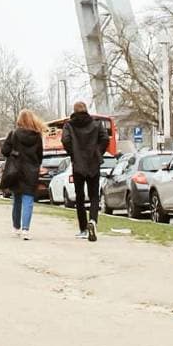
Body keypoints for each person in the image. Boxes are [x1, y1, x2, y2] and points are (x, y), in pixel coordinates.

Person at [62, 101, 109, 241]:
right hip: (93, 163)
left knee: (80, 197)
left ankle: (83, 228)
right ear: (86, 110)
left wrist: (73, 153)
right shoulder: (96, 124)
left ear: (74, 111)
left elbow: (65, 140)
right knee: (94, 196)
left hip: (78, 165)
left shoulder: (69, 125)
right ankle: (93, 220)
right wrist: (98, 152)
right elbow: (105, 138)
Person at [1, 111, 46, 240]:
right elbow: (40, 155)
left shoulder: (14, 134)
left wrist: (14, 152)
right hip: (31, 171)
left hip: (16, 170)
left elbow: (5, 151)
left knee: (17, 199)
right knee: (28, 200)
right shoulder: (37, 136)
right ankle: (26, 230)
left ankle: (16, 227)